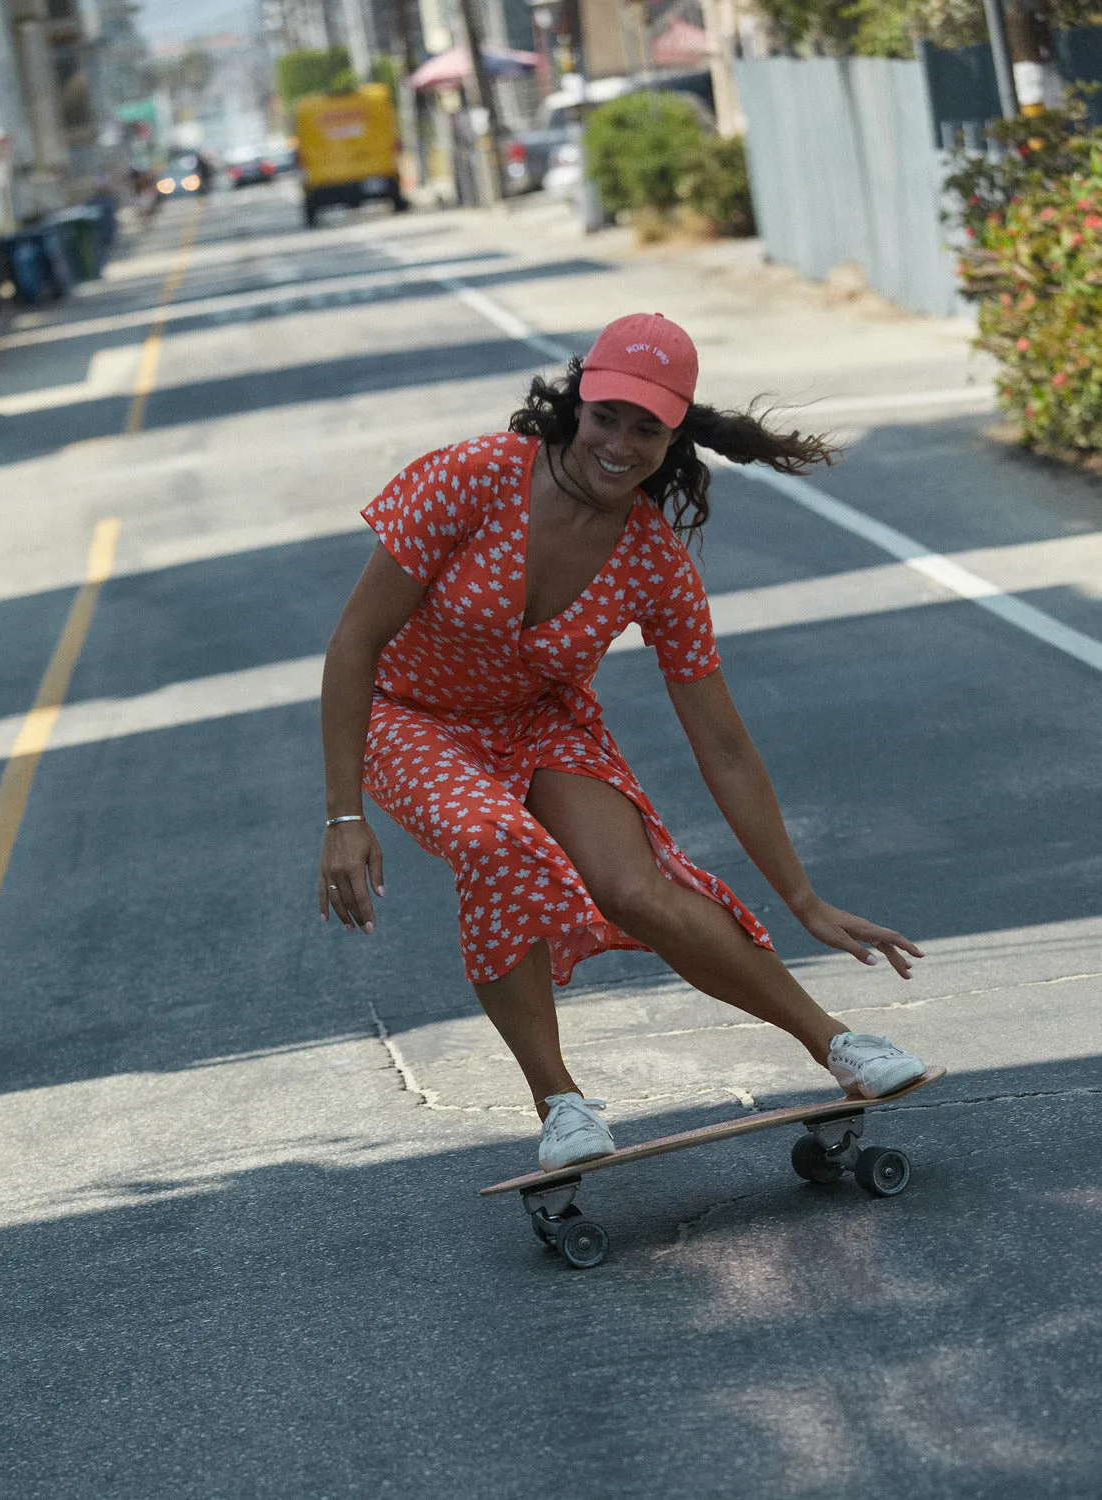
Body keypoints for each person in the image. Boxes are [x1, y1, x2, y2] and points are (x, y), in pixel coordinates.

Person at [319, 312, 927, 1172]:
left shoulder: (652, 558)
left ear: (674, 437)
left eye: (648, 428)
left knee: (634, 887)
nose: (619, 443)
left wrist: (803, 899)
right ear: (575, 404)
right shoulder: (469, 479)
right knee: (493, 842)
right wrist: (342, 815)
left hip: (538, 721)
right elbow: (354, 643)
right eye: (606, 415)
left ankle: (838, 1046)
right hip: (410, 716)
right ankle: (559, 1103)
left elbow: (720, 741)